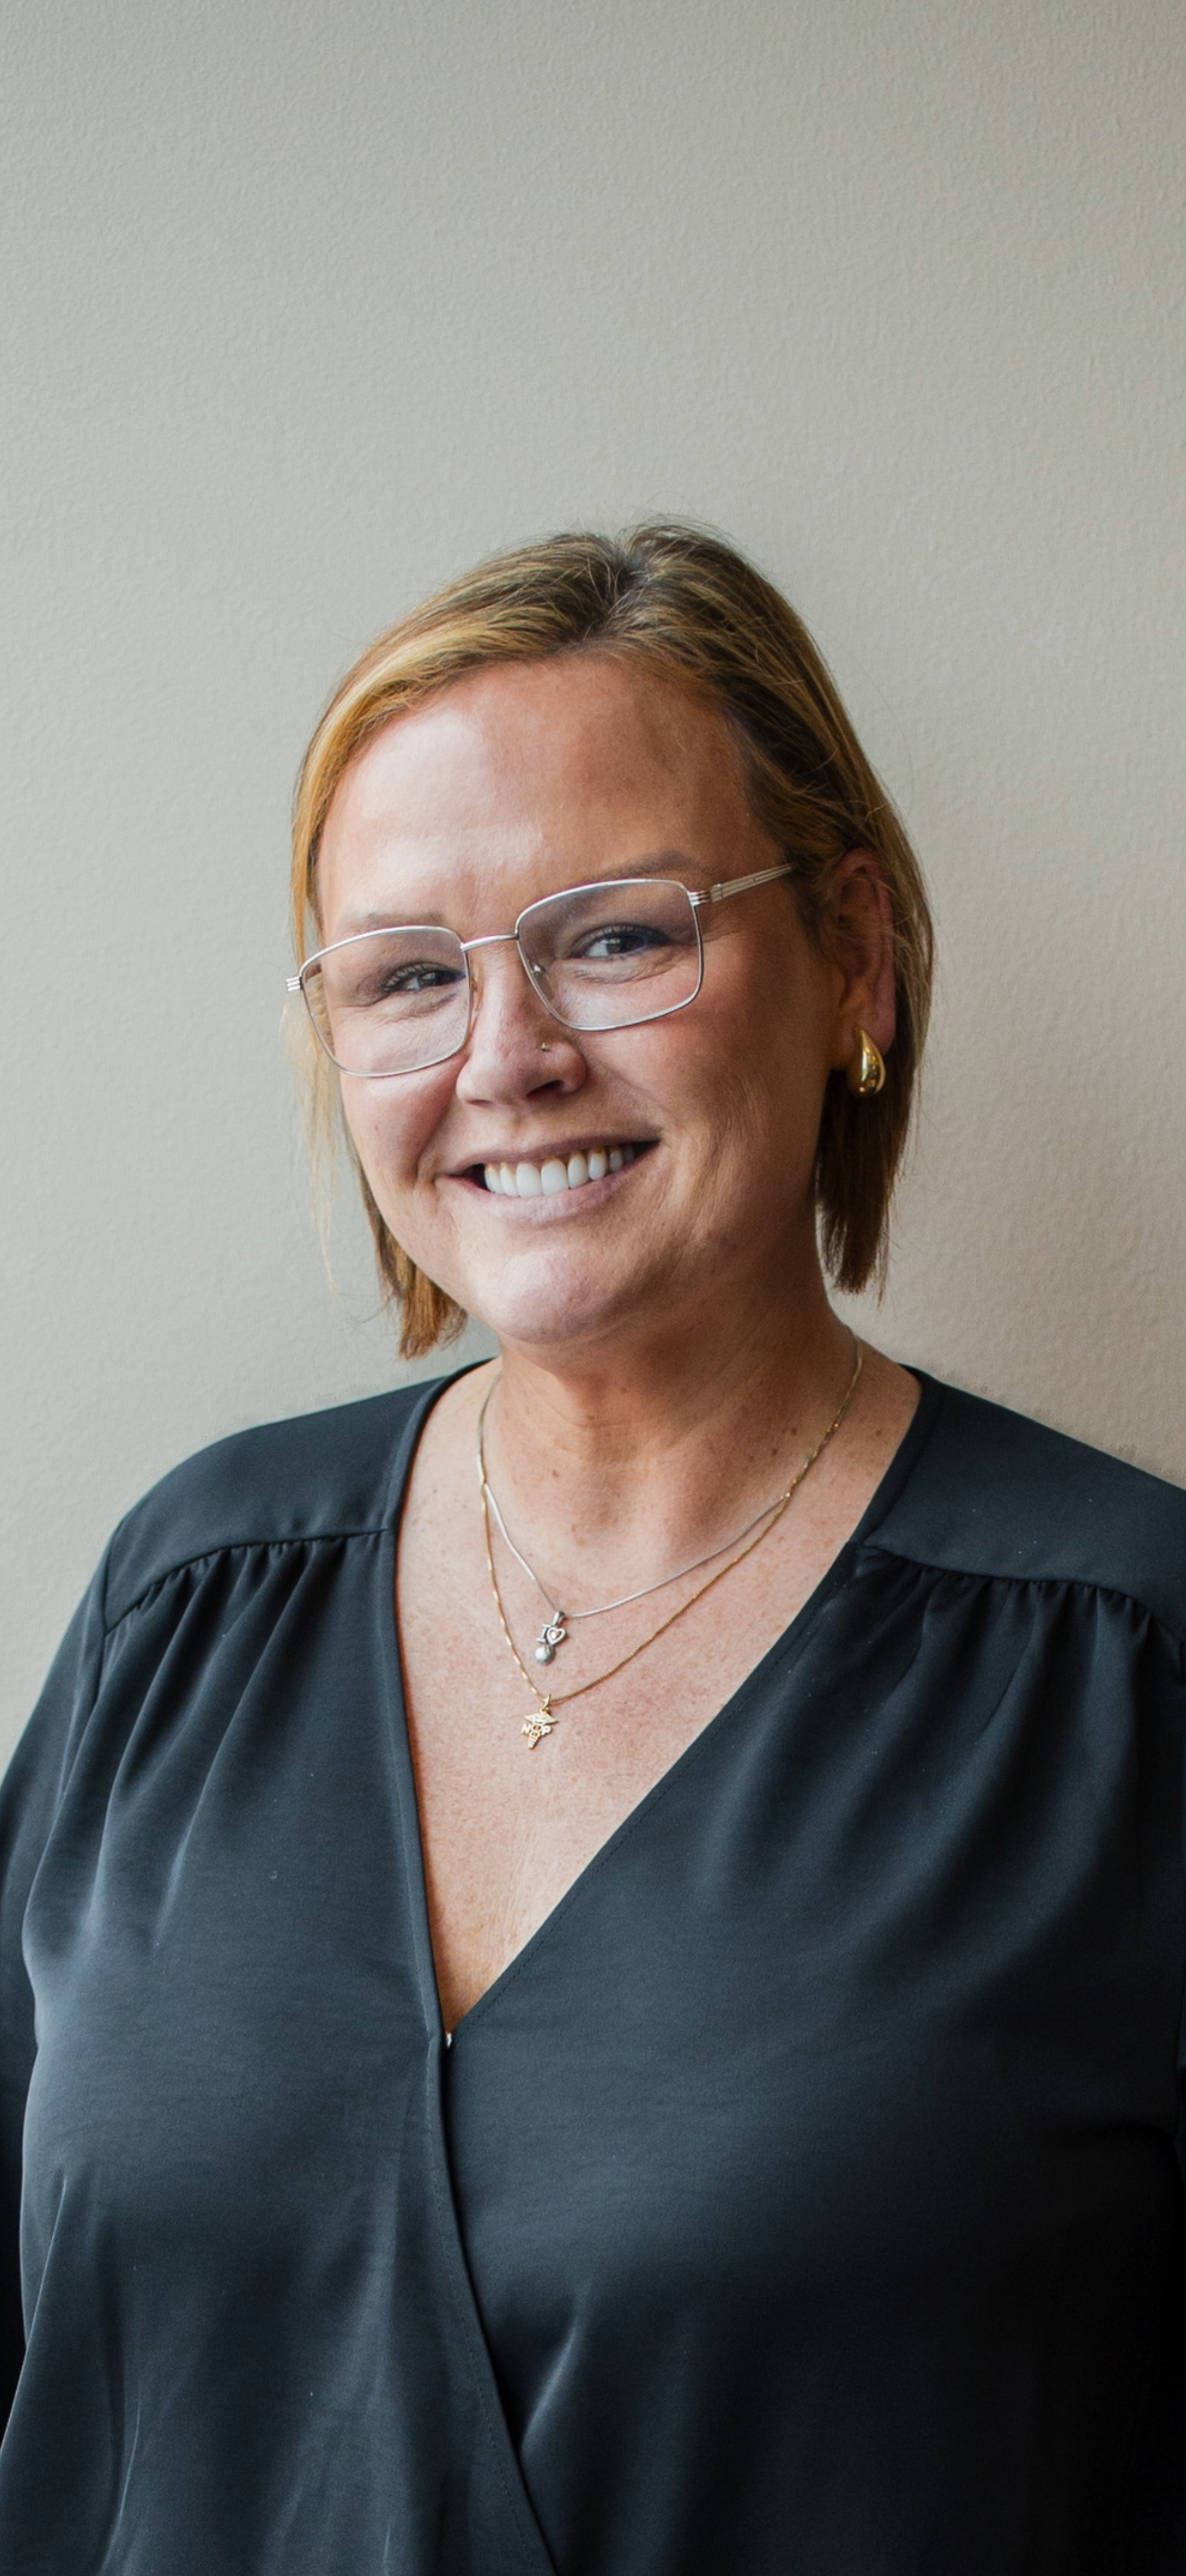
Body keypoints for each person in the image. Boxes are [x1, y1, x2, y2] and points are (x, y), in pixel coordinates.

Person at [0, 523, 1182, 2576]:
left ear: (858, 963)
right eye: (405, 977)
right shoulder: (191, 1596)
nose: (505, 1055)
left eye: (618, 937)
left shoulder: (1123, 1671)